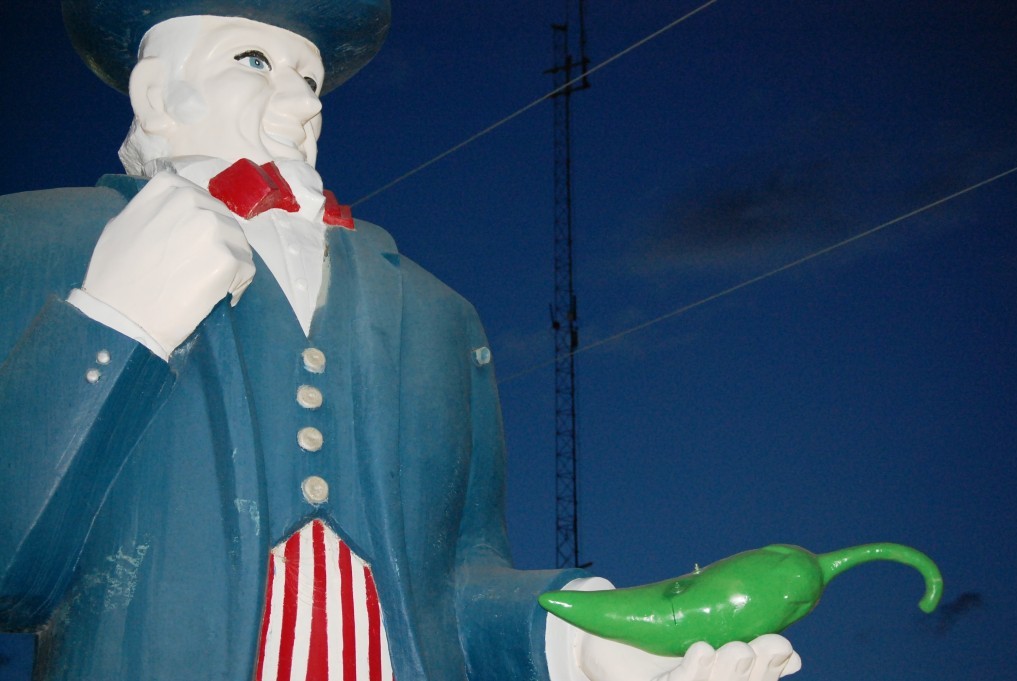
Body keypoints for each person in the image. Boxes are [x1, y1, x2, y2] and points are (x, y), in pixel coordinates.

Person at [0, 2, 800, 680]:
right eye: (254, 61)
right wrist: (114, 321)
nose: (301, 103)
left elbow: (456, 579)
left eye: (308, 78)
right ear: (157, 96)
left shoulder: (438, 315)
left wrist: (582, 640)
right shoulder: (36, 242)